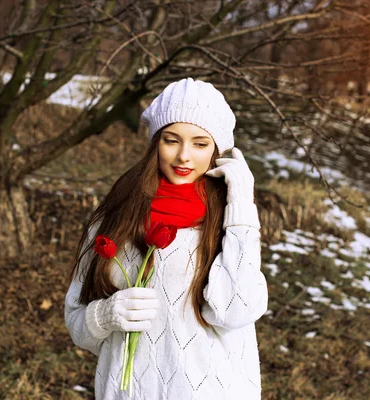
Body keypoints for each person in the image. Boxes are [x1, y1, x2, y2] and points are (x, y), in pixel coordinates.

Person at [65, 77, 268, 399]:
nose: (184, 156)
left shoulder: (228, 223)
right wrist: (105, 315)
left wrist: (241, 205)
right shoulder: (115, 218)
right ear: (155, 143)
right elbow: (77, 325)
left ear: (218, 149)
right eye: (172, 140)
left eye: (200, 144)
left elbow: (235, 312)